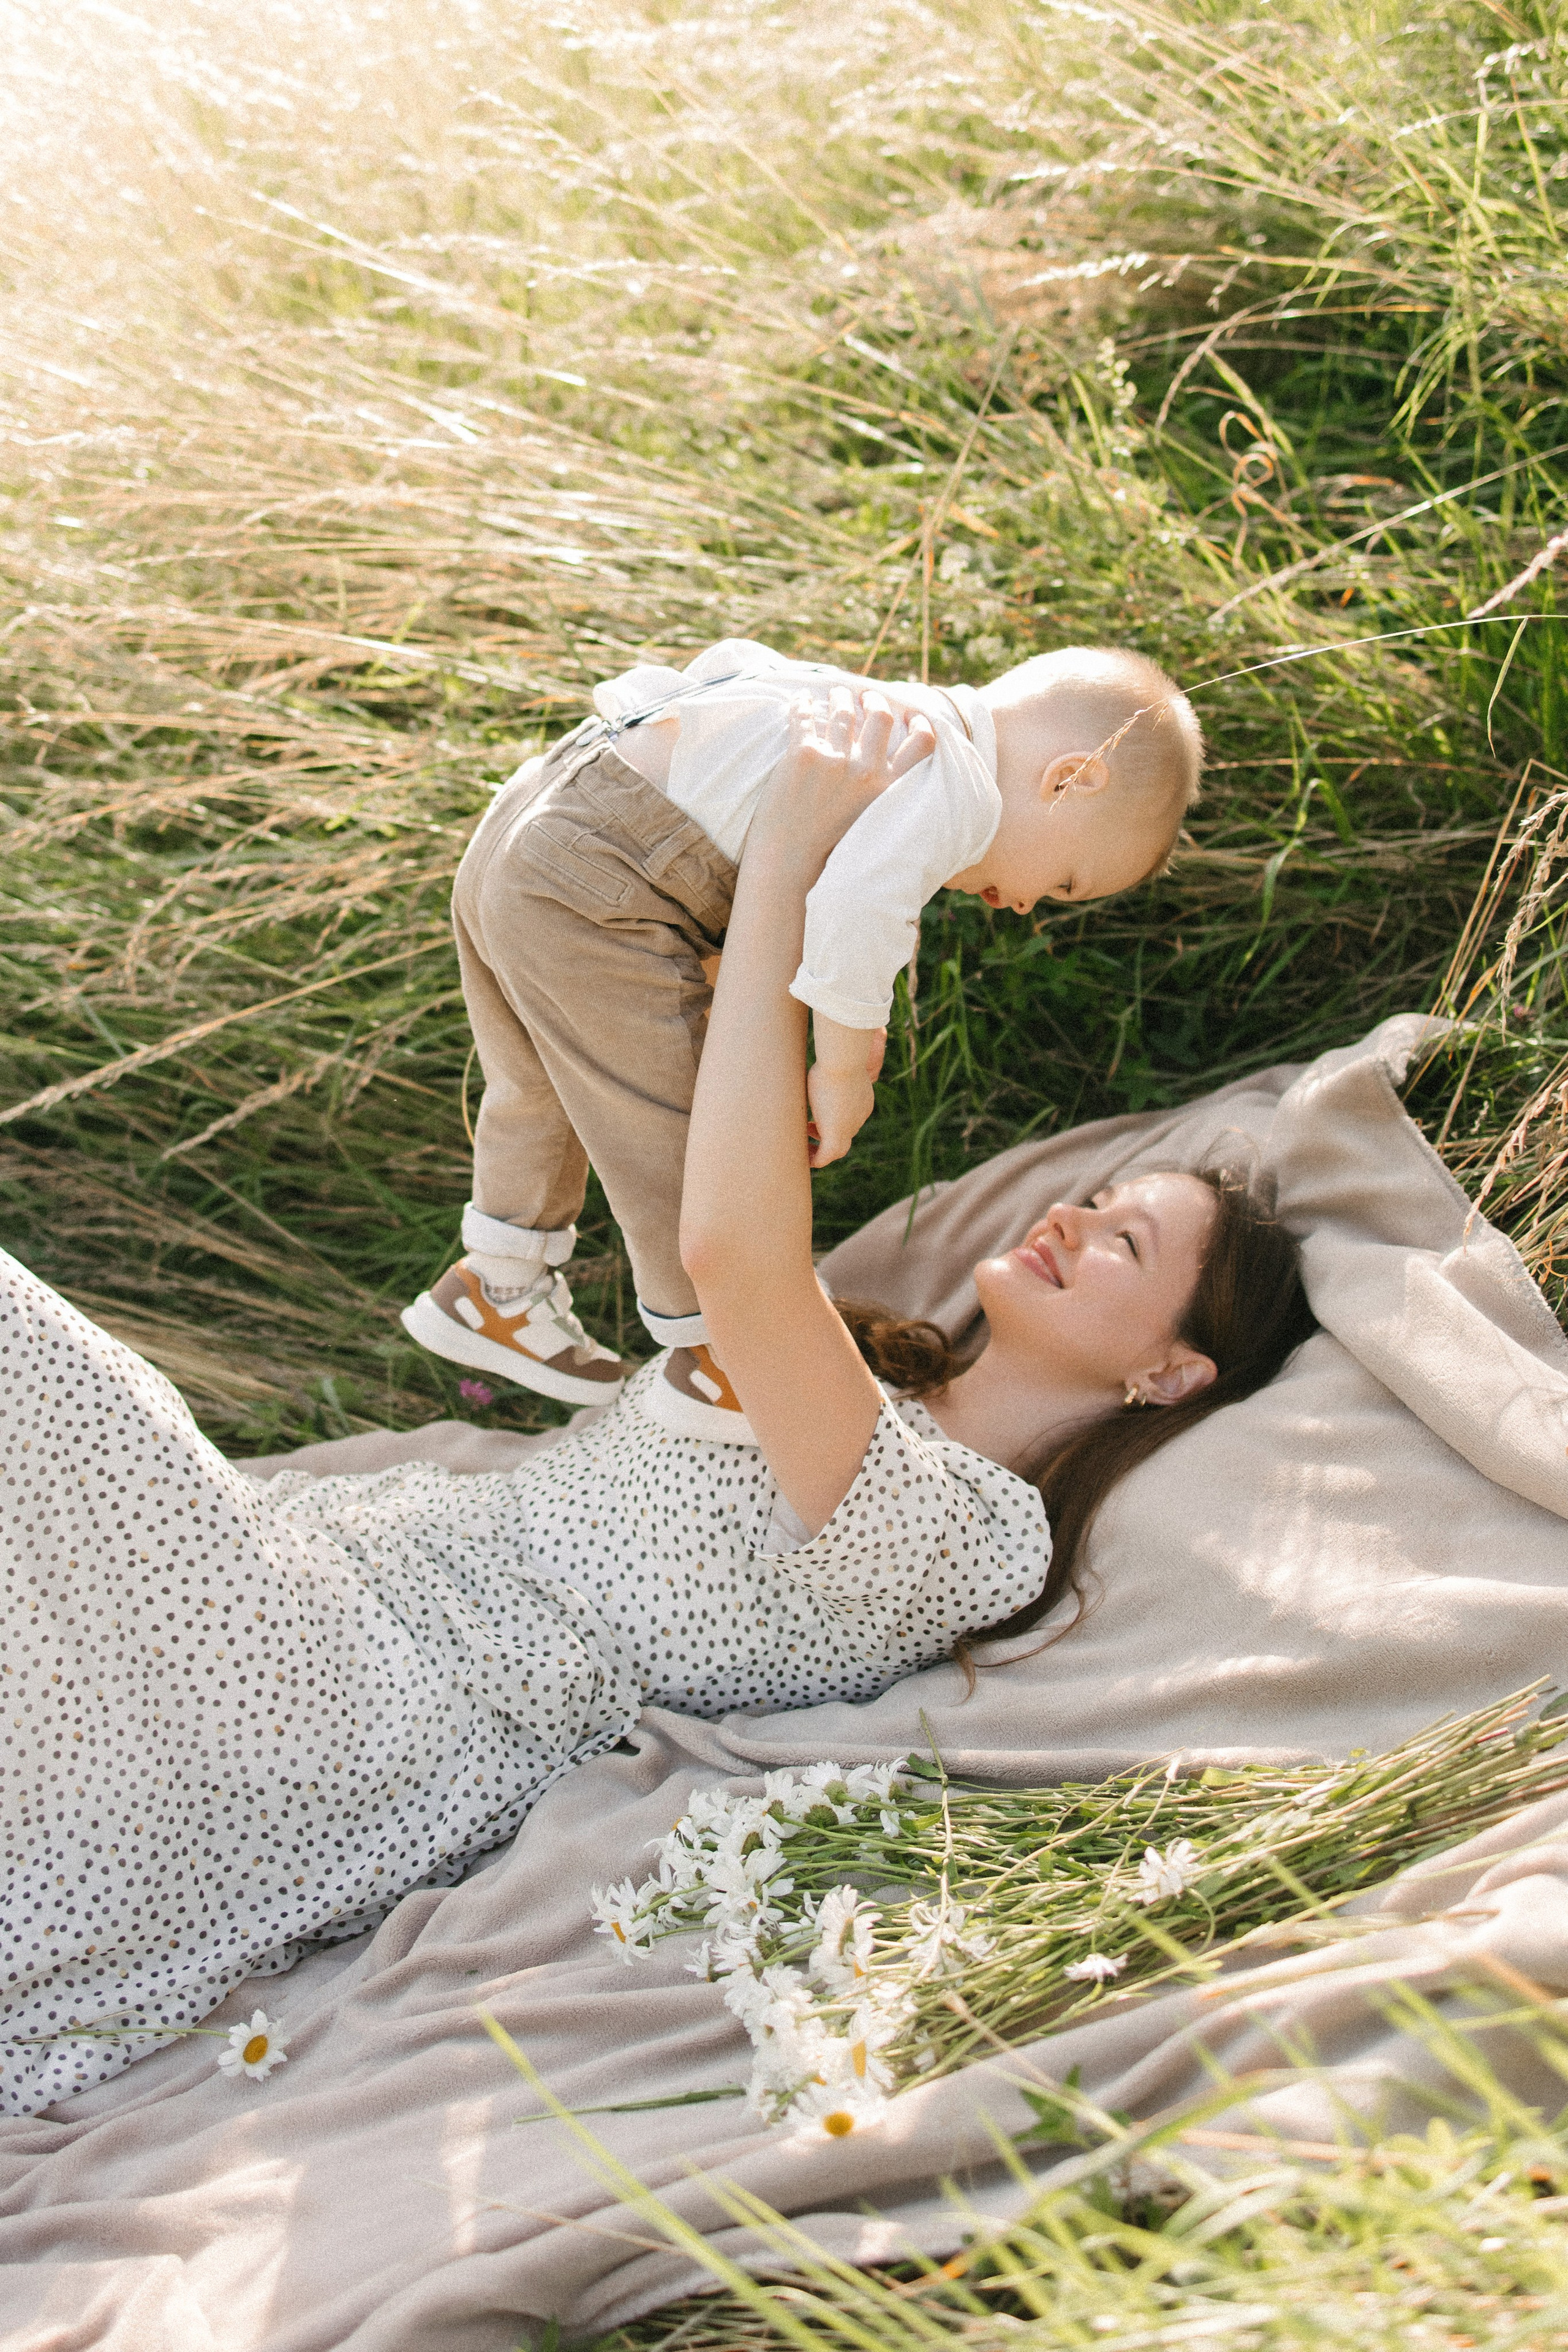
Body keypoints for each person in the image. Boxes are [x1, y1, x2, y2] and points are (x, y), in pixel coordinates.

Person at [0, 696, 1307, 2117]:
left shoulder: (965, 1533)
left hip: (350, 1706)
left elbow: (733, 1249)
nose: (1073, 1216)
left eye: (1124, 1243)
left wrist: (791, 856)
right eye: (1098, 1196)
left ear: (1167, 1375)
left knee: (42, 1371)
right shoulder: (876, 1372)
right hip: (329, 1582)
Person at [401, 639, 1205, 1442]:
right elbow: (859, 914)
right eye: (1065, 882)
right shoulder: (958, 782)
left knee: (536, 1085)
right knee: (678, 1128)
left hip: (536, 813)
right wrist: (847, 1069)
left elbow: (727, 672)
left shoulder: (878, 710)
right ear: (1070, 779)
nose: (1030, 907)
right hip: (601, 875)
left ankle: (497, 1282)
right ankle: (720, 1351)